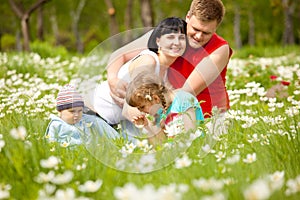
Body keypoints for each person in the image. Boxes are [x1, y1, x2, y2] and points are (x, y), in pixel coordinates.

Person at [107, 0, 232, 119]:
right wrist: (113, 79)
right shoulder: (171, 33)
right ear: (188, 17)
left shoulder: (220, 49)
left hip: (209, 117)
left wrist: (135, 101)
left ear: (215, 28)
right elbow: (119, 54)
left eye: (206, 33)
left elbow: (186, 92)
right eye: (196, 29)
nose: (198, 36)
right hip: (169, 111)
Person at [92, 17, 187, 125]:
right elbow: (134, 101)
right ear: (158, 41)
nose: (177, 42)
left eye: (181, 38)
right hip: (97, 114)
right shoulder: (149, 61)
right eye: (170, 37)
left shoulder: (166, 74)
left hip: (117, 124)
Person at [125, 72, 204, 145]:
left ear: (156, 98)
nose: (141, 111)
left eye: (142, 107)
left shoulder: (184, 100)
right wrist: (147, 125)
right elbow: (162, 143)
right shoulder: (161, 113)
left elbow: (190, 133)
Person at [44, 84, 119, 147]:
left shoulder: (85, 121)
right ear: (60, 111)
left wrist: (117, 139)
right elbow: (51, 143)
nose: (76, 115)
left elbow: (101, 125)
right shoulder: (56, 125)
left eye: (80, 111)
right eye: (72, 111)